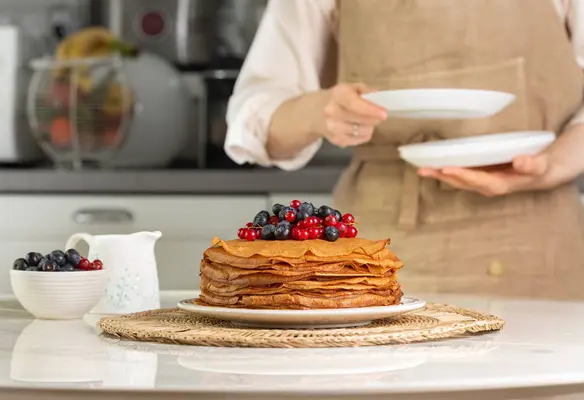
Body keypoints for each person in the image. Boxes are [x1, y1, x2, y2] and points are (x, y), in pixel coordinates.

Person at [224, 0, 584, 300]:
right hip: (376, 250)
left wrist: (553, 164)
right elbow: (254, 118)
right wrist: (322, 111)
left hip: (539, 240)